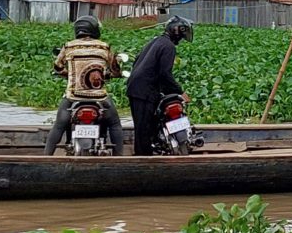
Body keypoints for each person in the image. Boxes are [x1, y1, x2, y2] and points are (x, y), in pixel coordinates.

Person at [44, 15, 124, 155]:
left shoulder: (69, 46)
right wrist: (115, 72)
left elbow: (57, 66)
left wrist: (66, 73)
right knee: (115, 125)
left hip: (73, 97)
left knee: (58, 126)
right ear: (94, 29)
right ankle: (120, 158)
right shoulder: (104, 47)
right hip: (99, 98)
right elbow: (115, 69)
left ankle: (46, 158)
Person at [126, 16, 193, 155]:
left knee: (145, 124)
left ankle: (149, 151)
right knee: (144, 127)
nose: (180, 40)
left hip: (137, 86)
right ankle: (144, 160)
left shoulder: (156, 41)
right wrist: (180, 92)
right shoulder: (168, 47)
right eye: (181, 36)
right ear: (177, 32)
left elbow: (137, 61)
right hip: (144, 89)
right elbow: (165, 74)